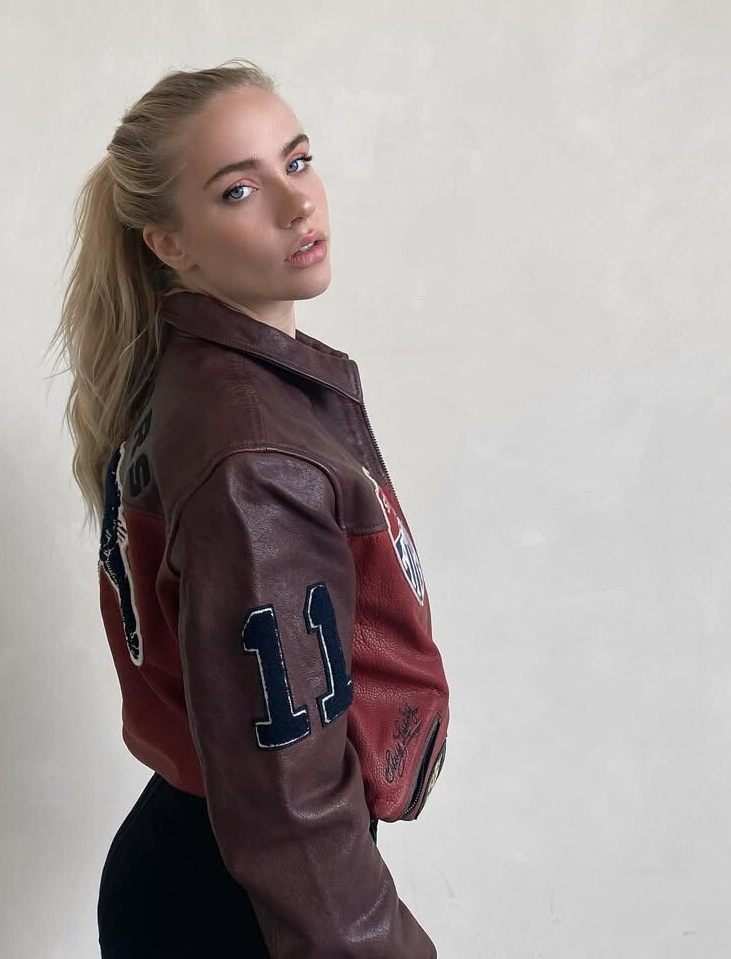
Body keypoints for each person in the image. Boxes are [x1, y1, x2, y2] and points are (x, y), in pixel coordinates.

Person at [48, 59, 450, 957]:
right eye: (239, 189)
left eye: (297, 162)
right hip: (252, 907)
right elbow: (287, 803)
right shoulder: (253, 456)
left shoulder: (208, 385)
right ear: (171, 244)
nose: (296, 203)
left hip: (211, 873)